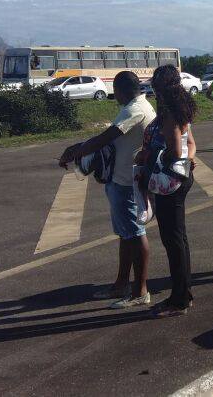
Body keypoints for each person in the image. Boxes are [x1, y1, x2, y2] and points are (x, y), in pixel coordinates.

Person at [59, 71, 155, 308]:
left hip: (127, 182)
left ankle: (140, 291)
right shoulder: (139, 104)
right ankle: (121, 284)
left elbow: (106, 137)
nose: (114, 96)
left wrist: (75, 151)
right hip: (122, 180)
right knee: (126, 235)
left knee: (135, 234)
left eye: (116, 91)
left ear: (122, 89)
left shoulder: (135, 110)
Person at [139, 64, 197, 317]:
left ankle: (180, 299)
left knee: (173, 240)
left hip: (170, 182)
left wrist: (149, 154)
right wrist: (188, 159)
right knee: (178, 239)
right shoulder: (179, 109)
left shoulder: (171, 113)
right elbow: (190, 146)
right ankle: (183, 292)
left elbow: (174, 150)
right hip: (178, 177)